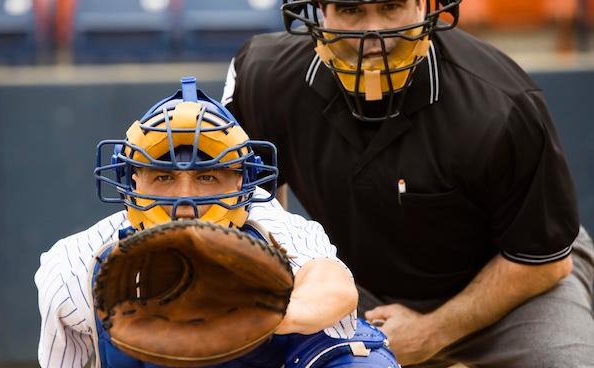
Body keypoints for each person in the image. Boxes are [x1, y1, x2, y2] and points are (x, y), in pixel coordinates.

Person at [223, 0, 594, 366]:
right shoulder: (265, 75)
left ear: (424, 7)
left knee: (566, 361)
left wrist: (434, 331)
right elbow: (250, 195)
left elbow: (543, 259)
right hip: (349, 280)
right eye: (351, 10)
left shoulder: (500, 103)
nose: (374, 34)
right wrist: (294, 273)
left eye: (391, 7)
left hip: (508, 282)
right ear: (321, 11)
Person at [34, 77, 399, 368]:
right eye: (163, 178)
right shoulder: (73, 267)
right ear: (133, 182)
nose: (185, 201)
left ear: (241, 183)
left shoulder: (274, 227)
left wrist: (257, 318)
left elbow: (333, 288)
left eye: (208, 177)